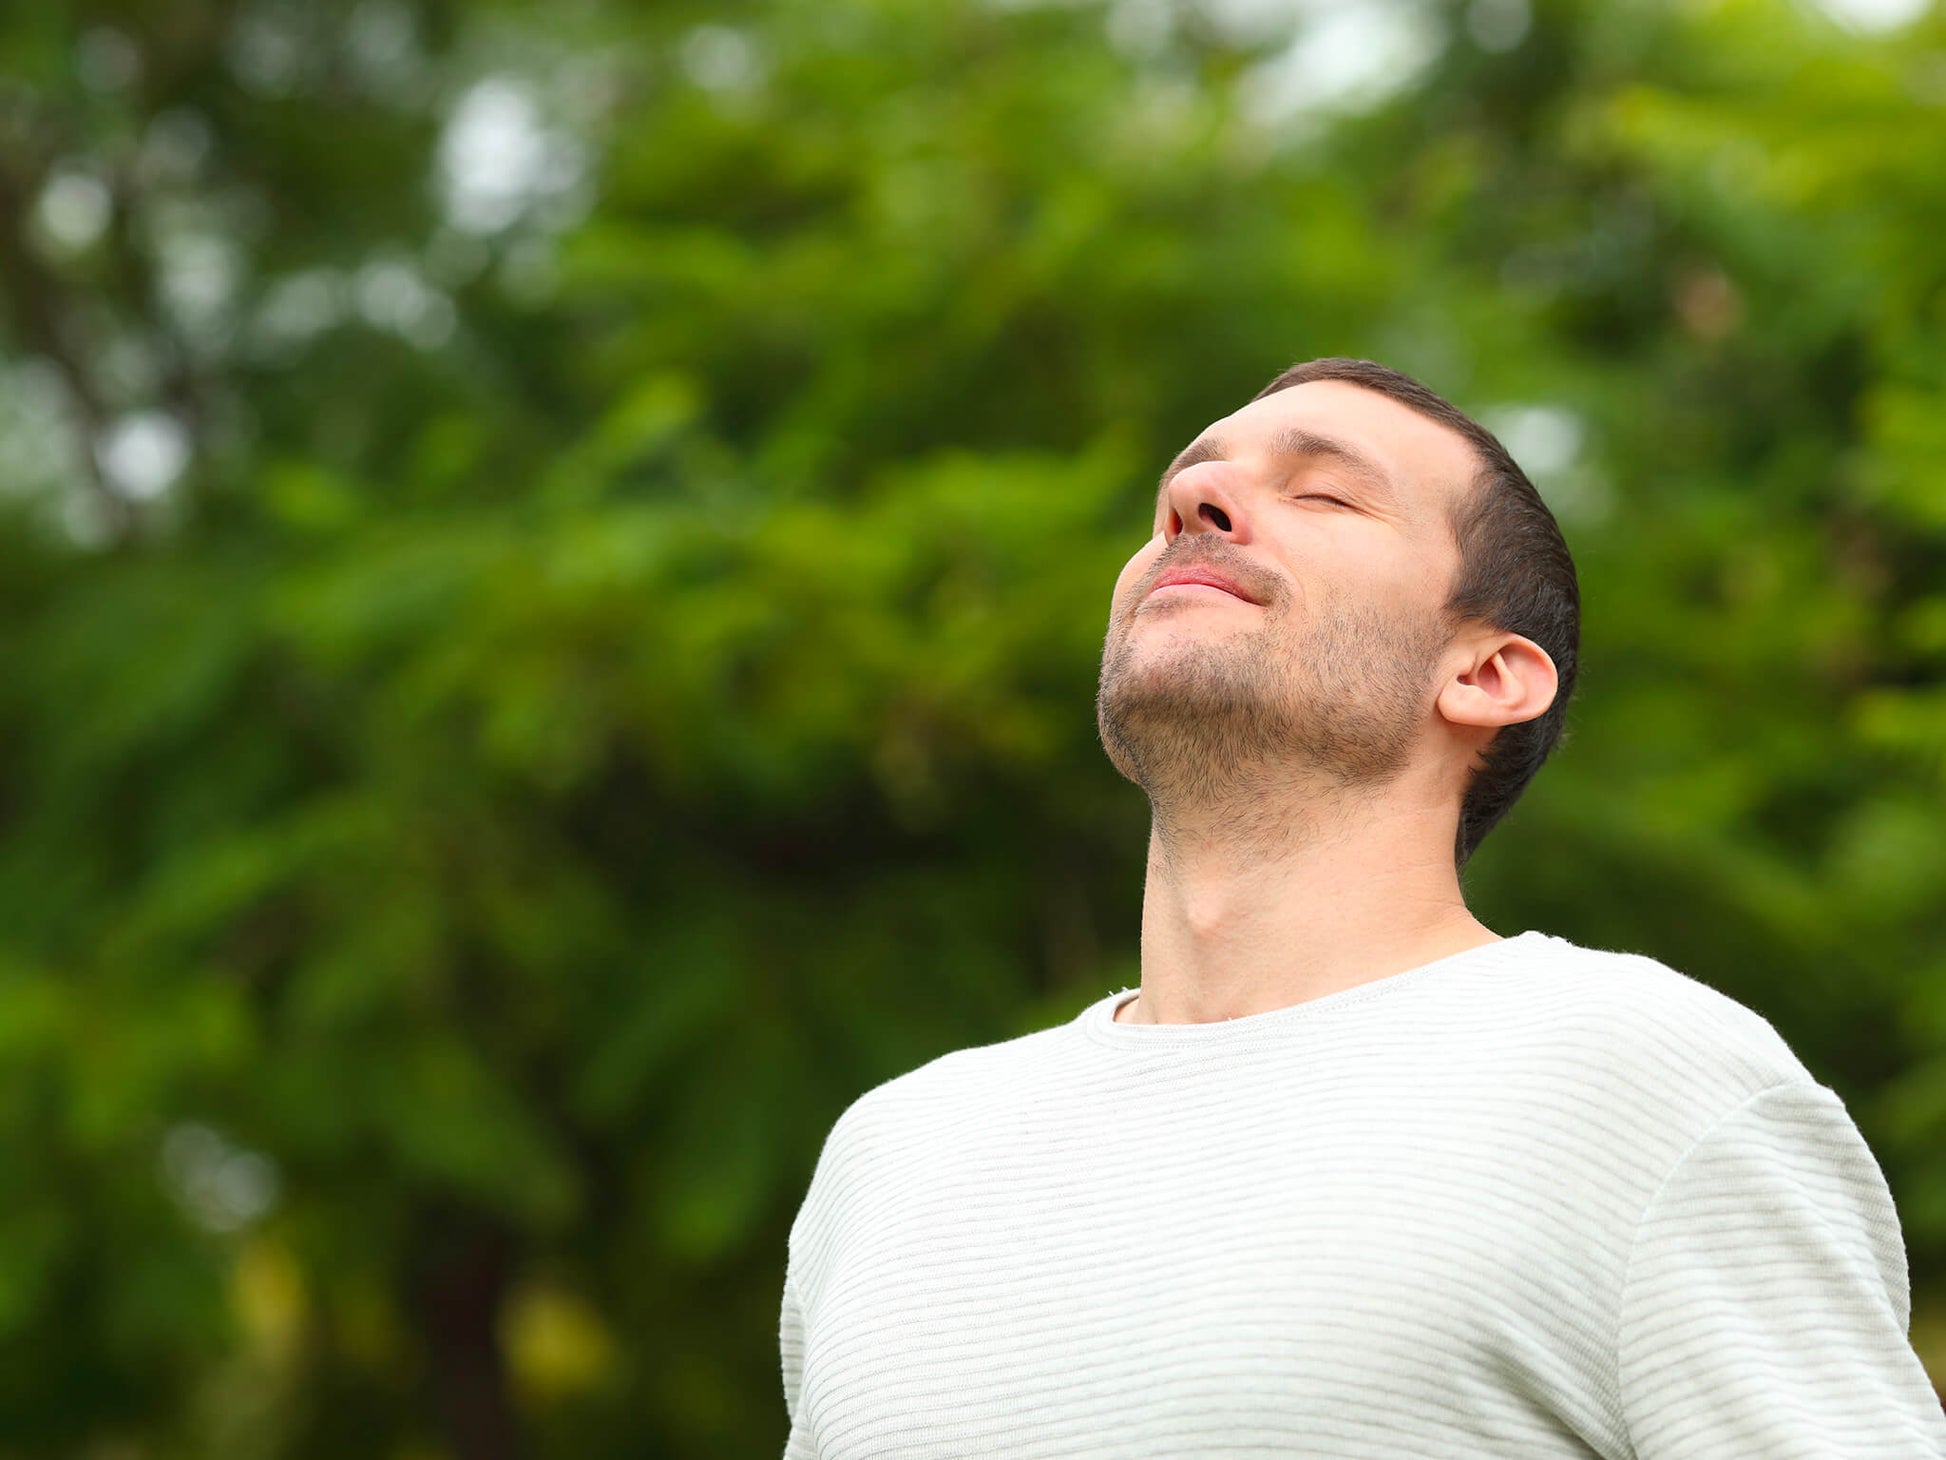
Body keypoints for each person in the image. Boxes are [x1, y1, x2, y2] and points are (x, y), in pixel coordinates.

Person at [777, 358, 1946, 1457]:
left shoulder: (1641, 1079)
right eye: (1185, 482)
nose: (1197, 496)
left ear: (1486, 673)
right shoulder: (896, 1152)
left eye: (1325, 492)